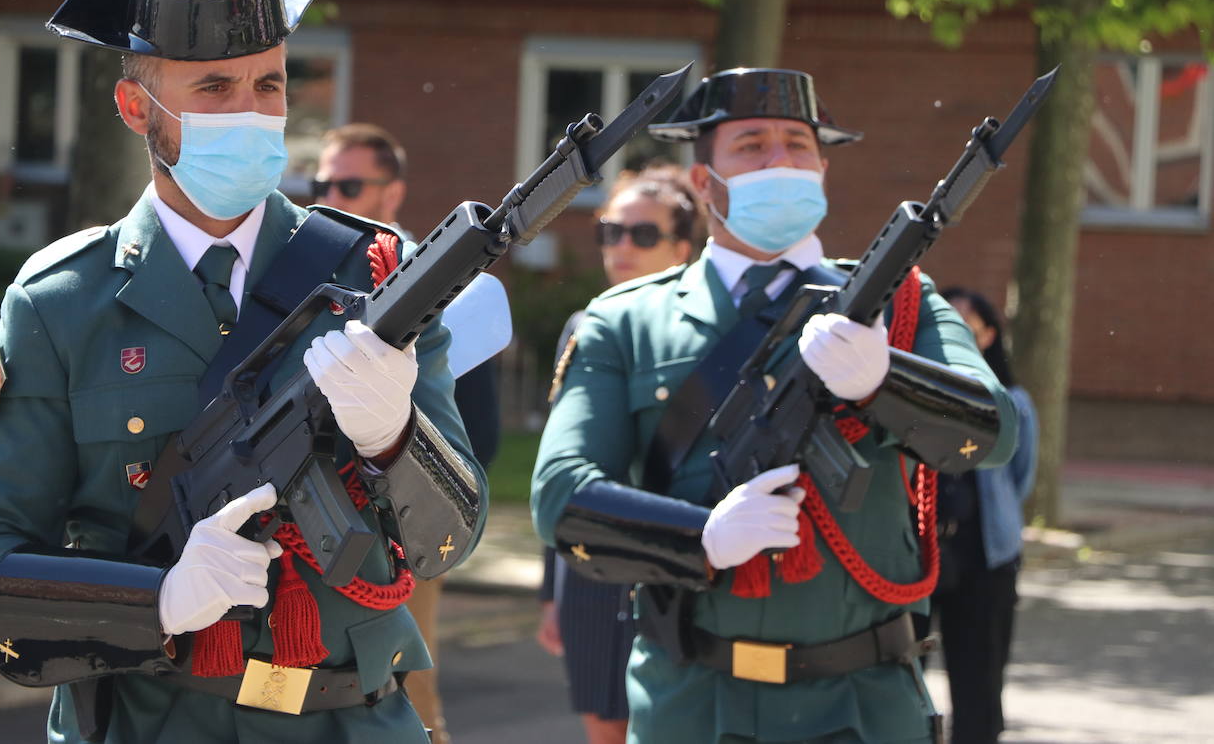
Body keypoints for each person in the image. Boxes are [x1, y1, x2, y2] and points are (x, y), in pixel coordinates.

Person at [0, 0, 487, 744]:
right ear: (135, 109)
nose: (252, 112)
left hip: (350, 722)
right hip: (151, 721)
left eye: (270, 84)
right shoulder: (63, 302)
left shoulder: (377, 273)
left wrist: (395, 439)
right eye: (215, 87)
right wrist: (152, 602)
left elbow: (453, 537)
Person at [531, 67, 1021, 744]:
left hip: (863, 705)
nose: (779, 161)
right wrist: (698, 539)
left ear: (822, 168)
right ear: (704, 182)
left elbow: (995, 432)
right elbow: (562, 496)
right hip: (691, 704)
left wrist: (886, 380)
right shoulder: (626, 322)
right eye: (752, 144)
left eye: (796, 144)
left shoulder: (901, 302)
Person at [312, 122, 503, 744]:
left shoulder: (441, 276)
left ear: (392, 195)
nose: (330, 193)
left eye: (349, 183)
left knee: (406, 684)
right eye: (321, 182)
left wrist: (404, 466)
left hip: (402, 517)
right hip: (309, 518)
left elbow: (478, 428)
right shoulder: (303, 267)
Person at [537, 166, 702, 744]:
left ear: (683, 248)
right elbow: (559, 469)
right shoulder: (585, 327)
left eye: (643, 234)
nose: (623, 246)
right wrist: (549, 591)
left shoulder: (707, 335)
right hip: (590, 565)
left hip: (672, 557)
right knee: (603, 730)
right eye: (612, 231)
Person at [916, 288, 1038, 744]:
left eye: (973, 329)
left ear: (988, 338)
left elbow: (1019, 478)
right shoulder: (907, 396)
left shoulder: (1013, 403)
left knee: (979, 684)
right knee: (905, 679)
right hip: (917, 557)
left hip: (985, 558)